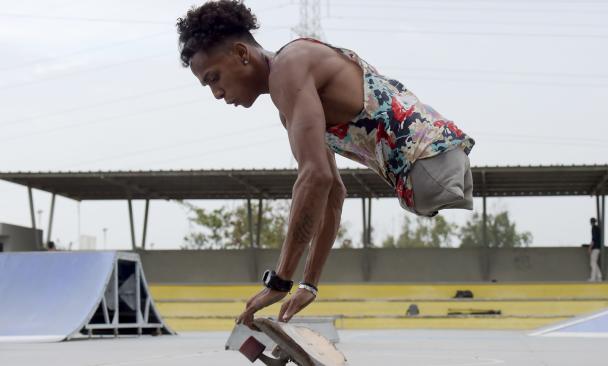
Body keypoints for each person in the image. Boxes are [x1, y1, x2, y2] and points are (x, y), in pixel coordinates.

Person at [176, 0, 475, 329]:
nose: (217, 93)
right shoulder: (291, 95)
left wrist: (279, 281)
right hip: (432, 168)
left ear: (242, 54)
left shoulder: (291, 65)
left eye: (214, 78)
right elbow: (332, 191)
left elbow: (314, 177)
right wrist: (308, 284)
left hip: (429, 162)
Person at [588, 218, 603, 282]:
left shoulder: (594, 228)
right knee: (594, 262)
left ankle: (593, 278)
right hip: (598, 247)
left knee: (592, 263)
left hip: (595, 248)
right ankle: (599, 277)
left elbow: (594, 239)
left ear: (591, 222)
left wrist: (590, 247)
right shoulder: (597, 228)